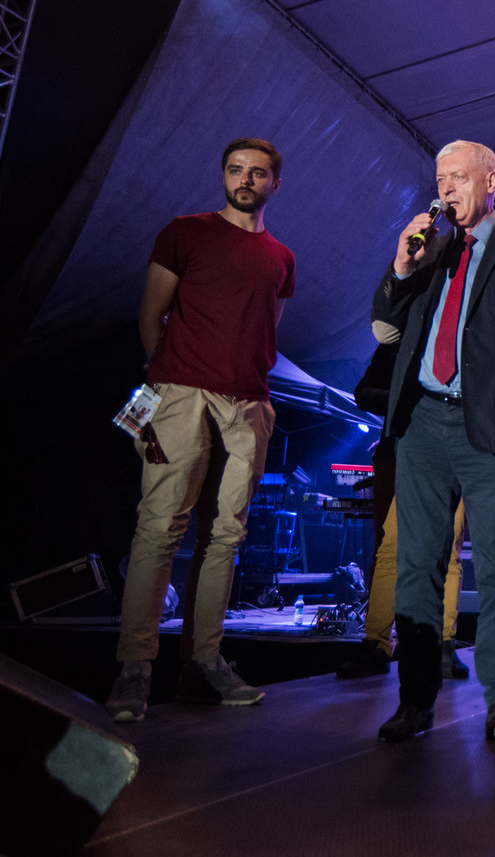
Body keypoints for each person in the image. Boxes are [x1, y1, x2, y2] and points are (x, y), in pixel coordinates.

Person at [370, 139, 495, 742]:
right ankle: (415, 699)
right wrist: (401, 266)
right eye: (440, 180)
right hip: (423, 423)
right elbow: (384, 328)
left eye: (458, 177)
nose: (447, 189)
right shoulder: (430, 247)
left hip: (492, 427)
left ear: (491, 181)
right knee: (417, 563)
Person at [105, 138, 295, 724]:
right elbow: (151, 314)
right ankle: (135, 669)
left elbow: (266, 329)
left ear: (274, 184)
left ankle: (204, 664)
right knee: (161, 527)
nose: (245, 179)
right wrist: (163, 384)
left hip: (250, 405)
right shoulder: (185, 232)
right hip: (180, 394)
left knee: (226, 535)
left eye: (257, 173)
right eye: (236, 170)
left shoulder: (281, 257)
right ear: (223, 176)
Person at [336, 334, 470, 682]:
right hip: (400, 452)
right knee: (389, 548)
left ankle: (443, 644)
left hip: (455, 454)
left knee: (448, 551)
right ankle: (377, 644)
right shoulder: (399, 339)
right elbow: (364, 392)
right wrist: (408, 400)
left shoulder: (469, 334)